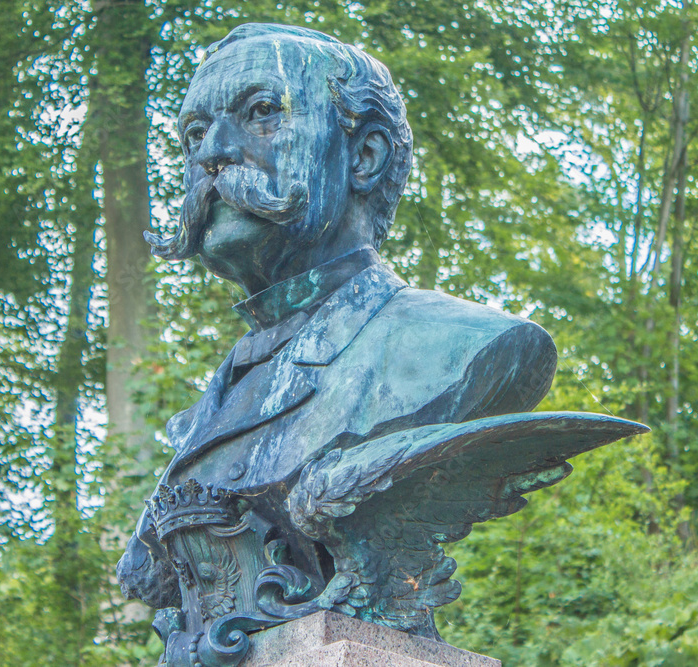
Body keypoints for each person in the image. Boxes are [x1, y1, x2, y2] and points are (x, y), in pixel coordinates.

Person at [117, 23, 581, 662]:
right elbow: (146, 576)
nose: (213, 153)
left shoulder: (458, 348)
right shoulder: (201, 418)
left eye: (260, 114)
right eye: (194, 135)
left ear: (364, 156)